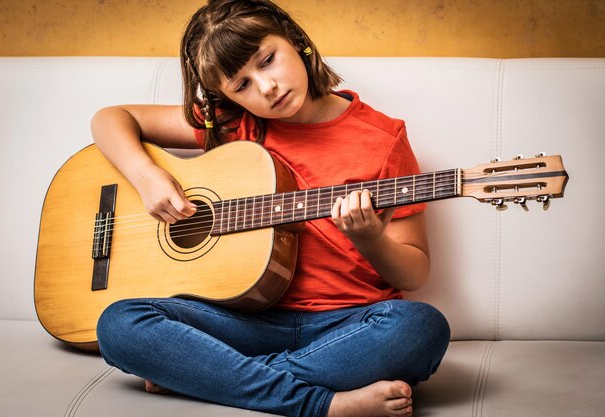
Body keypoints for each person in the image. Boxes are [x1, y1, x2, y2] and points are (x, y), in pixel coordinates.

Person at [93, 1, 450, 416]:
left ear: (296, 41)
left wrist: (370, 240)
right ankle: (320, 404)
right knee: (118, 324)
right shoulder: (230, 125)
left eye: (268, 61)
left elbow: (415, 272)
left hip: (349, 325)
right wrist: (145, 176)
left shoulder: (383, 139)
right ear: (223, 96)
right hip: (242, 323)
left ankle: (209, 377)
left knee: (422, 328)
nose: (266, 88)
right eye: (241, 85)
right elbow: (110, 118)